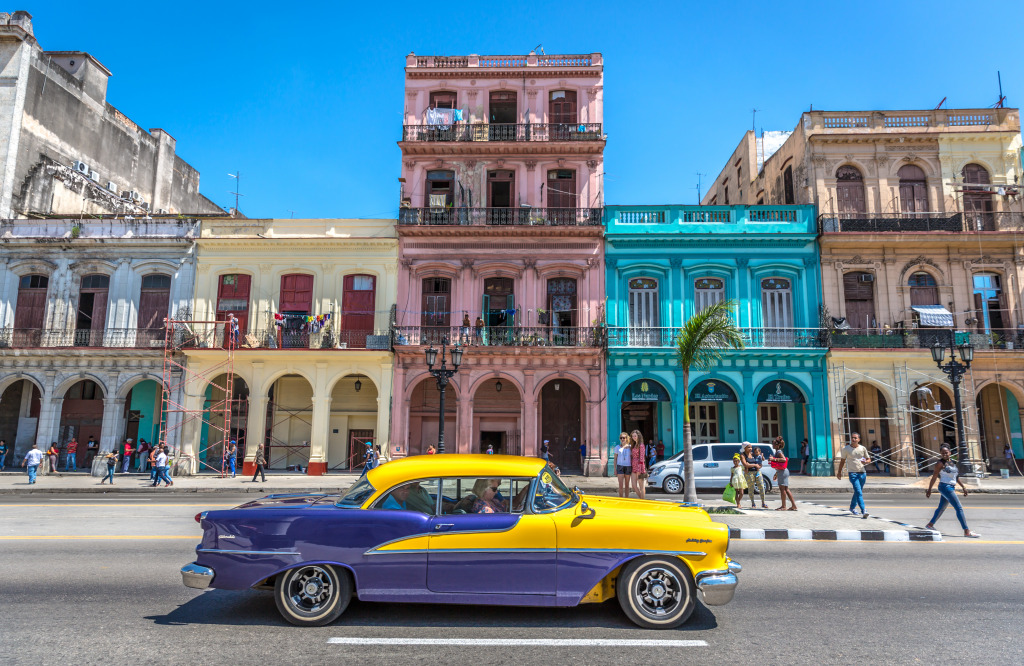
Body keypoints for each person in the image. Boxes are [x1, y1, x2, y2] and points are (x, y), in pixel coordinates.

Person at [925, 446, 980, 538]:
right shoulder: (940, 463)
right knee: (959, 508)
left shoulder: (952, 463)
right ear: (940, 454)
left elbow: (956, 477)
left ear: (950, 452)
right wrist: (929, 489)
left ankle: (930, 525)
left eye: (946, 452)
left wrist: (963, 487)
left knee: (941, 508)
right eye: (942, 453)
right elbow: (934, 476)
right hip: (945, 487)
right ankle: (966, 531)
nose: (944, 454)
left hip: (950, 487)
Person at [837, 431, 871, 519]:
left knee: (858, 492)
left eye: (855, 438)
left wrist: (866, 461)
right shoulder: (846, 449)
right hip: (853, 473)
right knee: (859, 492)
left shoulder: (862, 448)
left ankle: (852, 507)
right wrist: (839, 472)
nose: (853, 439)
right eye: (852, 437)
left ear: (859, 439)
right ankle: (864, 510)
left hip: (862, 473)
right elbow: (842, 461)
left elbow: (868, 459)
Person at [771, 438, 797, 511]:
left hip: (782, 472)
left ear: (777, 445)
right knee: (786, 489)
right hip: (781, 471)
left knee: (783, 489)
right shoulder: (777, 451)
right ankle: (793, 505)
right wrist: (776, 473)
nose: (772, 445)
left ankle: (783, 506)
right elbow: (780, 465)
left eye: (773, 444)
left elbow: (784, 459)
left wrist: (774, 459)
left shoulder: (779, 452)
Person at [741, 443, 767, 509]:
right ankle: (753, 503)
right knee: (751, 488)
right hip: (749, 473)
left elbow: (759, 460)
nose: (750, 449)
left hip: (757, 472)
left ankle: (763, 503)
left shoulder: (753, 454)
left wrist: (758, 465)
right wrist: (754, 465)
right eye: (748, 447)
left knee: (761, 486)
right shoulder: (742, 455)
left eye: (751, 447)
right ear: (744, 448)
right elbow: (745, 464)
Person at [629, 430, 647, 500]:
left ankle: (642, 501)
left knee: (641, 486)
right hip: (634, 466)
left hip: (639, 466)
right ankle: (642, 499)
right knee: (634, 486)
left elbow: (642, 458)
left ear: (638, 436)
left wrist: (640, 468)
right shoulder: (634, 445)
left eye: (635, 436)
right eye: (632, 436)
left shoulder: (641, 445)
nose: (634, 437)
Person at [614, 433, 632, 498]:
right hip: (620, 466)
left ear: (626, 438)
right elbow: (615, 458)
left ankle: (626, 499)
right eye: (621, 438)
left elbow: (632, 457)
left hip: (628, 466)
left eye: (624, 438)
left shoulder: (630, 447)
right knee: (620, 485)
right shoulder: (617, 447)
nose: (622, 439)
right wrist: (615, 469)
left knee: (627, 485)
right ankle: (621, 499)